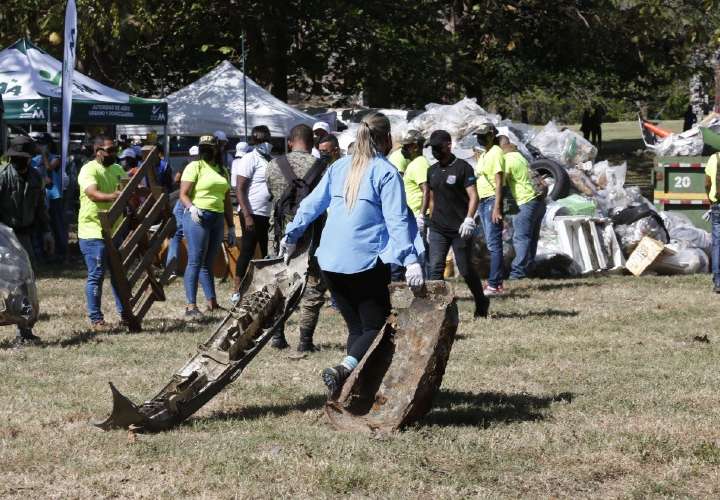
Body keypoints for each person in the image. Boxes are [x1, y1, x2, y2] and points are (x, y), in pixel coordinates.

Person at [281, 112, 423, 394]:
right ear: (387, 139)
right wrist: (411, 260)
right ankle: (344, 370)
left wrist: (290, 236)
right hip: (365, 261)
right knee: (376, 326)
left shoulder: (338, 167)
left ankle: (350, 390)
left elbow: (310, 205)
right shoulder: (386, 172)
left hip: (330, 262)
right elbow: (396, 221)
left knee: (357, 329)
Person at [266, 124, 328, 351]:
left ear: (290, 142)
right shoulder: (321, 167)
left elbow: (271, 195)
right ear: (312, 143)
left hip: (279, 235)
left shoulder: (273, 166)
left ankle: (277, 337)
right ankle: (305, 342)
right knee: (313, 286)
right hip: (313, 235)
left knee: (279, 285)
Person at [422, 130, 488, 319]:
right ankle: (438, 312)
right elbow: (432, 199)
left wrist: (469, 219)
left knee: (465, 269)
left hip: (460, 228)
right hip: (438, 228)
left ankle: (481, 300)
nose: (434, 152)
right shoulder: (432, 171)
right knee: (435, 269)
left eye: (437, 148)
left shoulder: (462, 168)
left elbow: (474, 196)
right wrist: (428, 221)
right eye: (432, 148)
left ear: (448, 146)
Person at [0, 135, 54, 344]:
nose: (18, 161)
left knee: (25, 282)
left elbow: (41, 207)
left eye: (23, 157)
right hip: (2, 236)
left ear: (29, 158)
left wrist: (48, 232)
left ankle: (24, 331)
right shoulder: (2, 176)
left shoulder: (36, 177)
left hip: (23, 237)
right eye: (15, 157)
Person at [179, 135, 236, 317]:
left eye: (208, 147)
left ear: (216, 149)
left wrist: (231, 225)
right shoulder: (194, 166)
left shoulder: (222, 170)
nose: (205, 150)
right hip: (198, 216)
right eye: (202, 147)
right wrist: (192, 208)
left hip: (217, 218)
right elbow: (183, 194)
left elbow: (227, 200)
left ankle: (212, 302)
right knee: (195, 260)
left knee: (208, 262)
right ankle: (190, 305)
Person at [77, 136, 127, 329]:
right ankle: (96, 319)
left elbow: (126, 188)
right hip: (93, 231)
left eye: (115, 149)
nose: (114, 153)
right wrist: (115, 196)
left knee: (119, 275)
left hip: (115, 231)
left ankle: (124, 313)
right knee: (97, 275)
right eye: (110, 150)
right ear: (98, 151)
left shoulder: (117, 169)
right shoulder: (88, 169)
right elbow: (92, 193)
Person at [231, 126, 273, 298]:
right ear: (254, 141)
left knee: (267, 250)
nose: (264, 143)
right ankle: (237, 290)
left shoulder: (270, 159)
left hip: (267, 213)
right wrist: (247, 215)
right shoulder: (250, 158)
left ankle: (267, 287)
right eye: (260, 140)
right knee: (248, 250)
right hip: (252, 212)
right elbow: (240, 189)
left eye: (266, 139)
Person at [501, 138, 546, 279]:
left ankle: (517, 273)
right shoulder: (519, 156)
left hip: (525, 201)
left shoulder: (507, 160)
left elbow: (501, 184)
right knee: (531, 238)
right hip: (538, 201)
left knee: (521, 238)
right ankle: (528, 269)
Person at [475, 124, 506, 295]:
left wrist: (497, 207)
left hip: (491, 201)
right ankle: (496, 281)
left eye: (483, 135)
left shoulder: (495, 152)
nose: (479, 138)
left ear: (491, 135)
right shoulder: (486, 154)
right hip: (483, 200)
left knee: (494, 245)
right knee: (491, 243)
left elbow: (499, 182)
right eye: (478, 135)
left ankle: (494, 284)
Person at [31, 133, 67, 263]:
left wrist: (44, 154)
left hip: (54, 196)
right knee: (42, 225)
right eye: (38, 144)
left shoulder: (56, 158)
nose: (39, 146)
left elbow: (48, 167)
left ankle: (62, 252)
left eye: (42, 143)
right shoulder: (34, 159)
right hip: (40, 197)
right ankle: (45, 253)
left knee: (57, 223)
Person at [165, 146, 199, 280]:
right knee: (192, 236)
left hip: (183, 200)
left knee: (176, 235)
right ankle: (193, 269)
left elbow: (177, 178)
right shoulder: (203, 167)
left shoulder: (187, 164)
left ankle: (171, 269)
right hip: (194, 202)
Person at [704, 151, 720, 292]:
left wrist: (711, 201)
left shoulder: (714, 158)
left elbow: (708, 183)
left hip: (717, 206)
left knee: (717, 244)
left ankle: (718, 282)